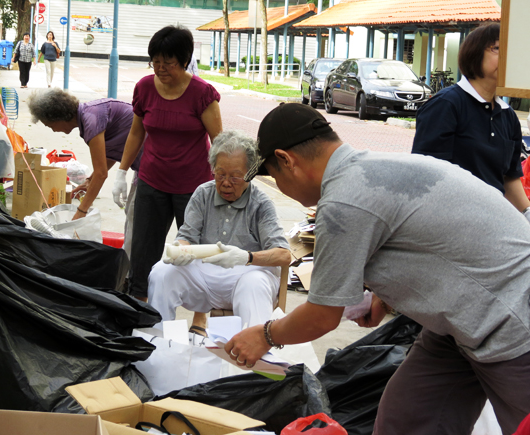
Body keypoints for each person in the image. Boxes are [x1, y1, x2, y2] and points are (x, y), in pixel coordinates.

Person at [226, 103, 530, 435]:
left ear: (286, 160)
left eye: (274, 175)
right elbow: (435, 248)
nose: (280, 186)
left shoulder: (343, 200)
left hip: (513, 321)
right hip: (463, 322)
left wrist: (266, 335)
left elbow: (321, 316)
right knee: (406, 418)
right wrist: (383, 299)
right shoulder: (374, 169)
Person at [112, 25, 222, 304]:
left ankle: (200, 310)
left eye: (168, 63)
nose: (160, 69)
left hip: (193, 187)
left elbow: (218, 141)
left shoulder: (202, 94)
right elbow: (137, 132)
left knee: (196, 252)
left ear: (184, 61)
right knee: (143, 250)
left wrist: (223, 182)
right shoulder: (144, 88)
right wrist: (121, 172)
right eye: (155, 62)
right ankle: (139, 305)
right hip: (152, 181)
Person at [147, 130, 291, 331]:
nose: (225, 183)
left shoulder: (261, 204)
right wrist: (180, 249)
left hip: (246, 275)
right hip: (205, 277)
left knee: (254, 284)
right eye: (220, 174)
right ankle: (157, 345)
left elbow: (284, 256)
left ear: (250, 174)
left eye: (235, 177)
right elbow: (187, 236)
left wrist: (246, 257)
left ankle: (254, 354)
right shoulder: (203, 194)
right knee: (162, 273)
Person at [413, 23, 530, 218]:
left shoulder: (508, 115)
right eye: (497, 49)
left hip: (494, 219)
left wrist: (527, 213)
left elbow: (509, 178)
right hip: (451, 219)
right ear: (474, 53)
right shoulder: (446, 105)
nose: (507, 57)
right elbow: (425, 174)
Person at [26, 88, 142, 261]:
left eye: (49, 125)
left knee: (136, 220)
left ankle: (130, 272)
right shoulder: (88, 115)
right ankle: (130, 267)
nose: (51, 130)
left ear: (58, 116)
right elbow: (110, 152)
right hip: (144, 163)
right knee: (133, 220)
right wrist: (89, 181)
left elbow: (102, 173)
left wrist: (81, 210)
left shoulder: (90, 120)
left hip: (152, 163)